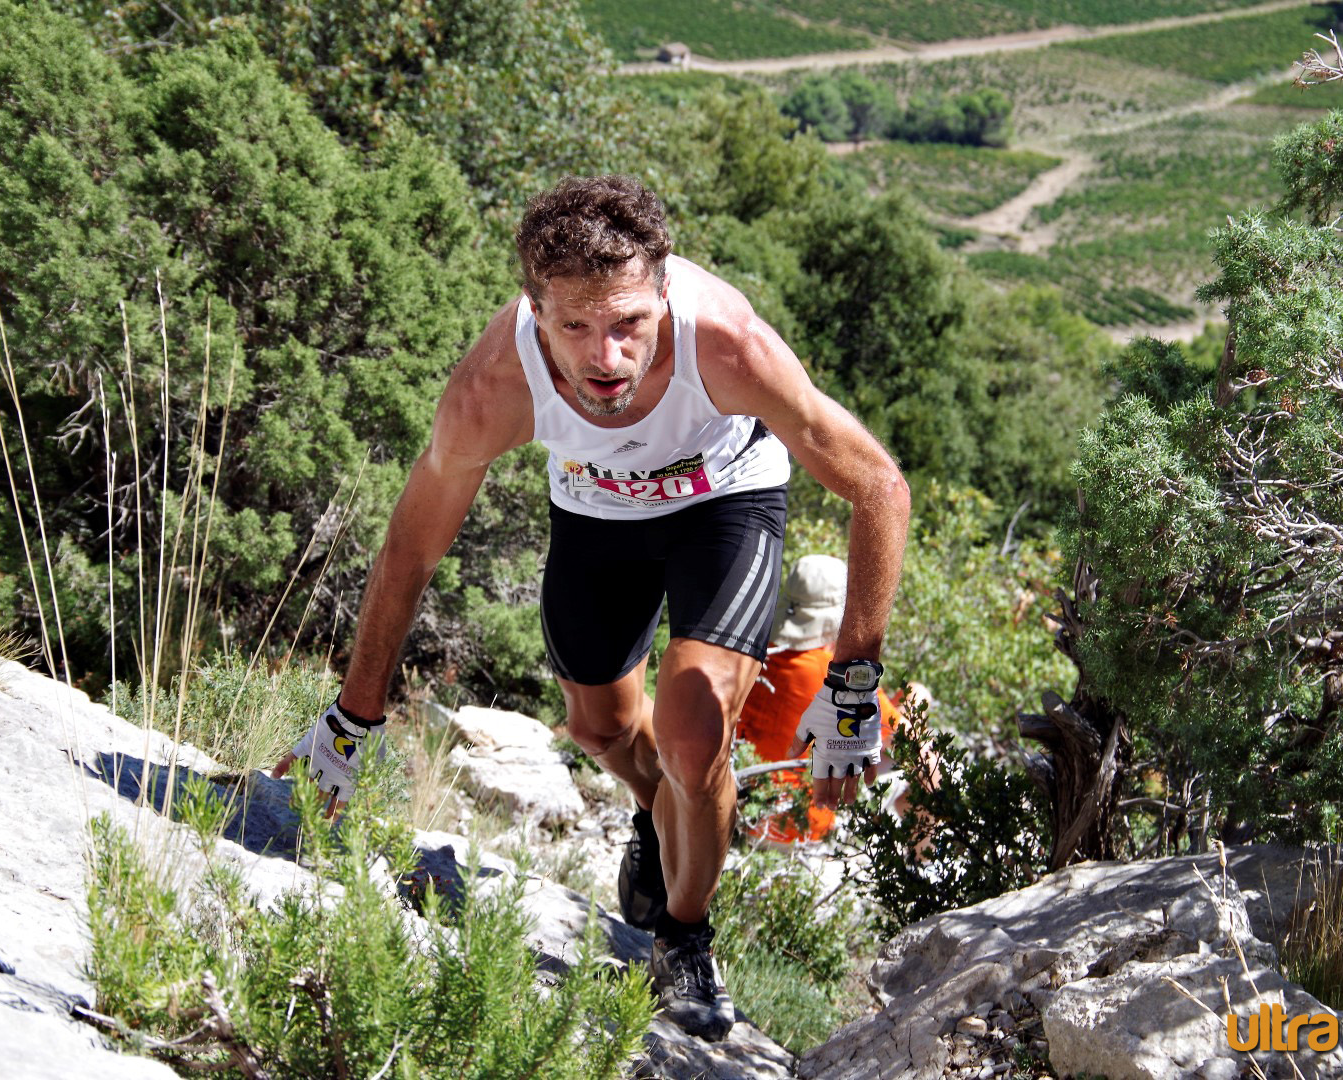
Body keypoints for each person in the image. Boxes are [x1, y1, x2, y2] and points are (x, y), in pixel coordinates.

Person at [274, 175, 910, 1041]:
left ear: (662, 292)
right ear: (534, 314)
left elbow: (876, 484)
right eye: (574, 327)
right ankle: (658, 813)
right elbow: (411, 550)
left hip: (724, 503)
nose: (604, 356)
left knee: (693, 734)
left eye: (627, 325)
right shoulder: (491, 387)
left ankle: (683, 935)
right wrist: (353, 721)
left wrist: (852, 683)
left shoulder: (727, 346)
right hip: (598, 512)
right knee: (602, 731)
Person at [737, 554, 900, 845]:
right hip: (804, 830)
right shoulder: (833, 675)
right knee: (910, 759)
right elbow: (905, 739)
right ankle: (923, 867)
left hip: (746, 817)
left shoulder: (752, 658)